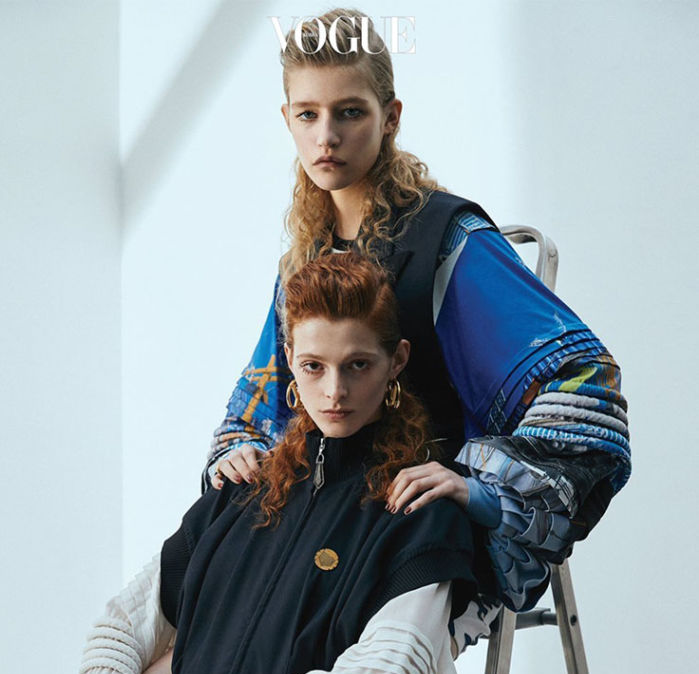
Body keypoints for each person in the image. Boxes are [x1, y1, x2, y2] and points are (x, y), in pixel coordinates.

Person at [58, 252, 481, 674]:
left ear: (397, 361)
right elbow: (121, 627)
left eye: (358, 365)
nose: (334, 390)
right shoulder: (239, 492)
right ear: (288, 361)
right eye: (313, 366)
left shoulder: (416, 513)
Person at [208, 8, 631, 623]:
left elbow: (588, 382)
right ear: (287, 119)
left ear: (390, 117)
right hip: (321, 522)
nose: (326, 137)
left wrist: (479, 486)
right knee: (198, 580)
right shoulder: (304, 258)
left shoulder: (448, 243)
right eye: (308, 114)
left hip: (411, 536)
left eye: (350, 112)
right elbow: (264, 398)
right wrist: (240, 450)